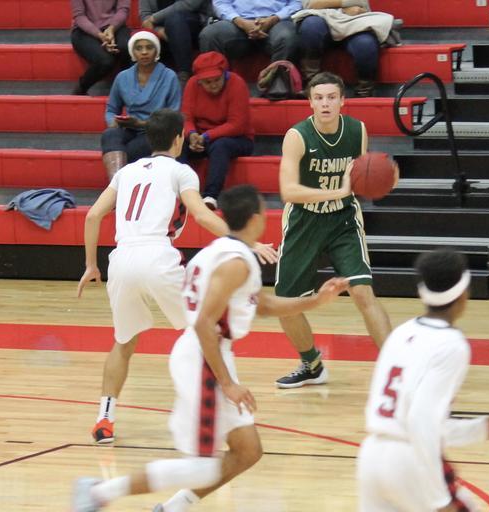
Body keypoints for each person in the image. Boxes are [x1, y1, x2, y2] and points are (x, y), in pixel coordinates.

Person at [71, 184, 349, 512]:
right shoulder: (235, 262)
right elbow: (204, 322)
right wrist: (227, 382)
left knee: (248, 451)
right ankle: (99, 492)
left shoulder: (222, 252)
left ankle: (170, 508)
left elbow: (262, 304)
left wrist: (316, 300)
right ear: (255, 219)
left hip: (207, 353)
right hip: (204, 357)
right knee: (202, 467)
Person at [78, 109, 277, 445]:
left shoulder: (125, 172)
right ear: (179, 138)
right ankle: (216, 412)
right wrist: (248, 242)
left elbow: (93, 215)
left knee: (124, 343)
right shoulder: (181, 171)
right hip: (158, 256)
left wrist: (90, 265)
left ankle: (104, 420)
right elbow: (202, 215)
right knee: (205, 330)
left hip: (121, 259)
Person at [357, 249, 489, 512]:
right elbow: (421, 420)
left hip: (371, 456)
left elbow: (410, 418)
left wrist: (476, 430)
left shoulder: (401, 332)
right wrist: (440, 498)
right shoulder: (451, 344)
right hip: (409, 461)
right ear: (464, 294)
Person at [274, 71, 396, 388]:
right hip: (304, 221)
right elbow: (288, 191)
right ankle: (312, 365)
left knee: (362, 291)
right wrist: (338, 191)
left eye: (331, 97)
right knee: (286, 304)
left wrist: (385, 177)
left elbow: (363, 175)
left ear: (342, 101)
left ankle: (397, 369)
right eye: (319, 98)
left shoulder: (357, 130)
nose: (325, 103)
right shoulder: (297, 136)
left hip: (342, 220)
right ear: (310, 102)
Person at [101, 30, 182, 180]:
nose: (144, 52)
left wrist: (142, 123)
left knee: (130, 150)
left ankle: (121, 186)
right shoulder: (122, 77)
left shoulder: (169, 76)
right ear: (133, 51)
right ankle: (116, 185)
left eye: (149, 47)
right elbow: (111, 109)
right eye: (139, 48)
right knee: (109, 134)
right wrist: (113, 122)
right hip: (130, 128)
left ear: (156, 50)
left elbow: (173, 117)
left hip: (158, 132)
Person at [182, 51, 254, 210]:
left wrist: (206, 136)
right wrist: (191, 134)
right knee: (178, 144)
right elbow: (187, 118)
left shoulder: (237, 83)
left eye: (217, 80)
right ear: (199, 81)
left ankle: (211, 196)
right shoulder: (192, 85)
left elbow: (237, 124)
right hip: (201, 137)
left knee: (221, 145)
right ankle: (183, 192)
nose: (213, 85)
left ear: (224, 75)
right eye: (207, 82)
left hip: (237, 138)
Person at [293, 0, 393, 97]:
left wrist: (324, 3)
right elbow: (310, 4)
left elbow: (361, 2)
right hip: (321, 19)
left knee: (365, 43)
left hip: (353, 21)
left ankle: (364, 88)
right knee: (311, 25)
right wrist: (343, 7)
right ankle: (312, 83)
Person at [199, 0, 301, 65]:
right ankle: (218, 85)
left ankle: (279, 88)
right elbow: (221, 3)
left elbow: (296, 3)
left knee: (287, 37)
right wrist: (240, 21)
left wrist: (275, 18)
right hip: (237, 21)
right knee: (210, 35)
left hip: (276, 21)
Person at [139, 0, 214, 86]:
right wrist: (159, 31)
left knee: (175, 19)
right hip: (161, 31)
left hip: (192, 25)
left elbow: (188, 4)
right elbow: (145, 18)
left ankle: (184, 74)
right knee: (136, 42)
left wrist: (154, 18)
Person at [70, 0, 132, 95]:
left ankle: (128, 87)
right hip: (84, 30)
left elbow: (123, 9)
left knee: (126, 47)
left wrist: (111, 28)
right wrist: (99, 35)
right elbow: (79, 16)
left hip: (115, 26)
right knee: (105, 61)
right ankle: (81, 87)